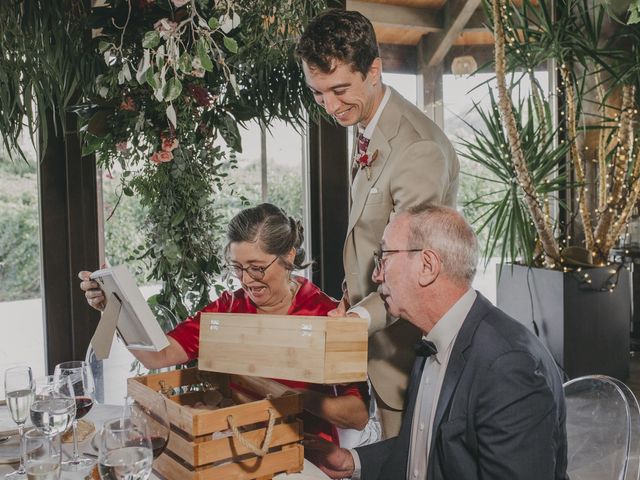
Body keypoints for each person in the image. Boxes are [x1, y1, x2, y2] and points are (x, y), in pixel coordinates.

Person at [304, 203, 568, 480]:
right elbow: (426, 446)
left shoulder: (507, 366)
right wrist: (352, 461)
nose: (376, 275)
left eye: (384, 257)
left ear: (427, 266)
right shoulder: (433, 339)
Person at [79, 203, 372, 447]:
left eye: (257, 268)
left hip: (304, 453)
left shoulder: (326, 313)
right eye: (237, 268)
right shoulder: (230, 307)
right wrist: (113, 309)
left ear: (289, 255)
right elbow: (160, 355)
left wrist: (286, 397)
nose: (246, 280)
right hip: (234, 446)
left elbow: (357, 415)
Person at [296, 9, 460, 438]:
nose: (330, 106)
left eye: (339, 89)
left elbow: (411, 273)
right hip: (378, 341)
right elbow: (371, 237)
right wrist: (349, 303)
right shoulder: (369, 122)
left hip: (408, 354)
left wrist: (353, 321)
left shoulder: (418, 148)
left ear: (374, 70)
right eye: (318, 94)